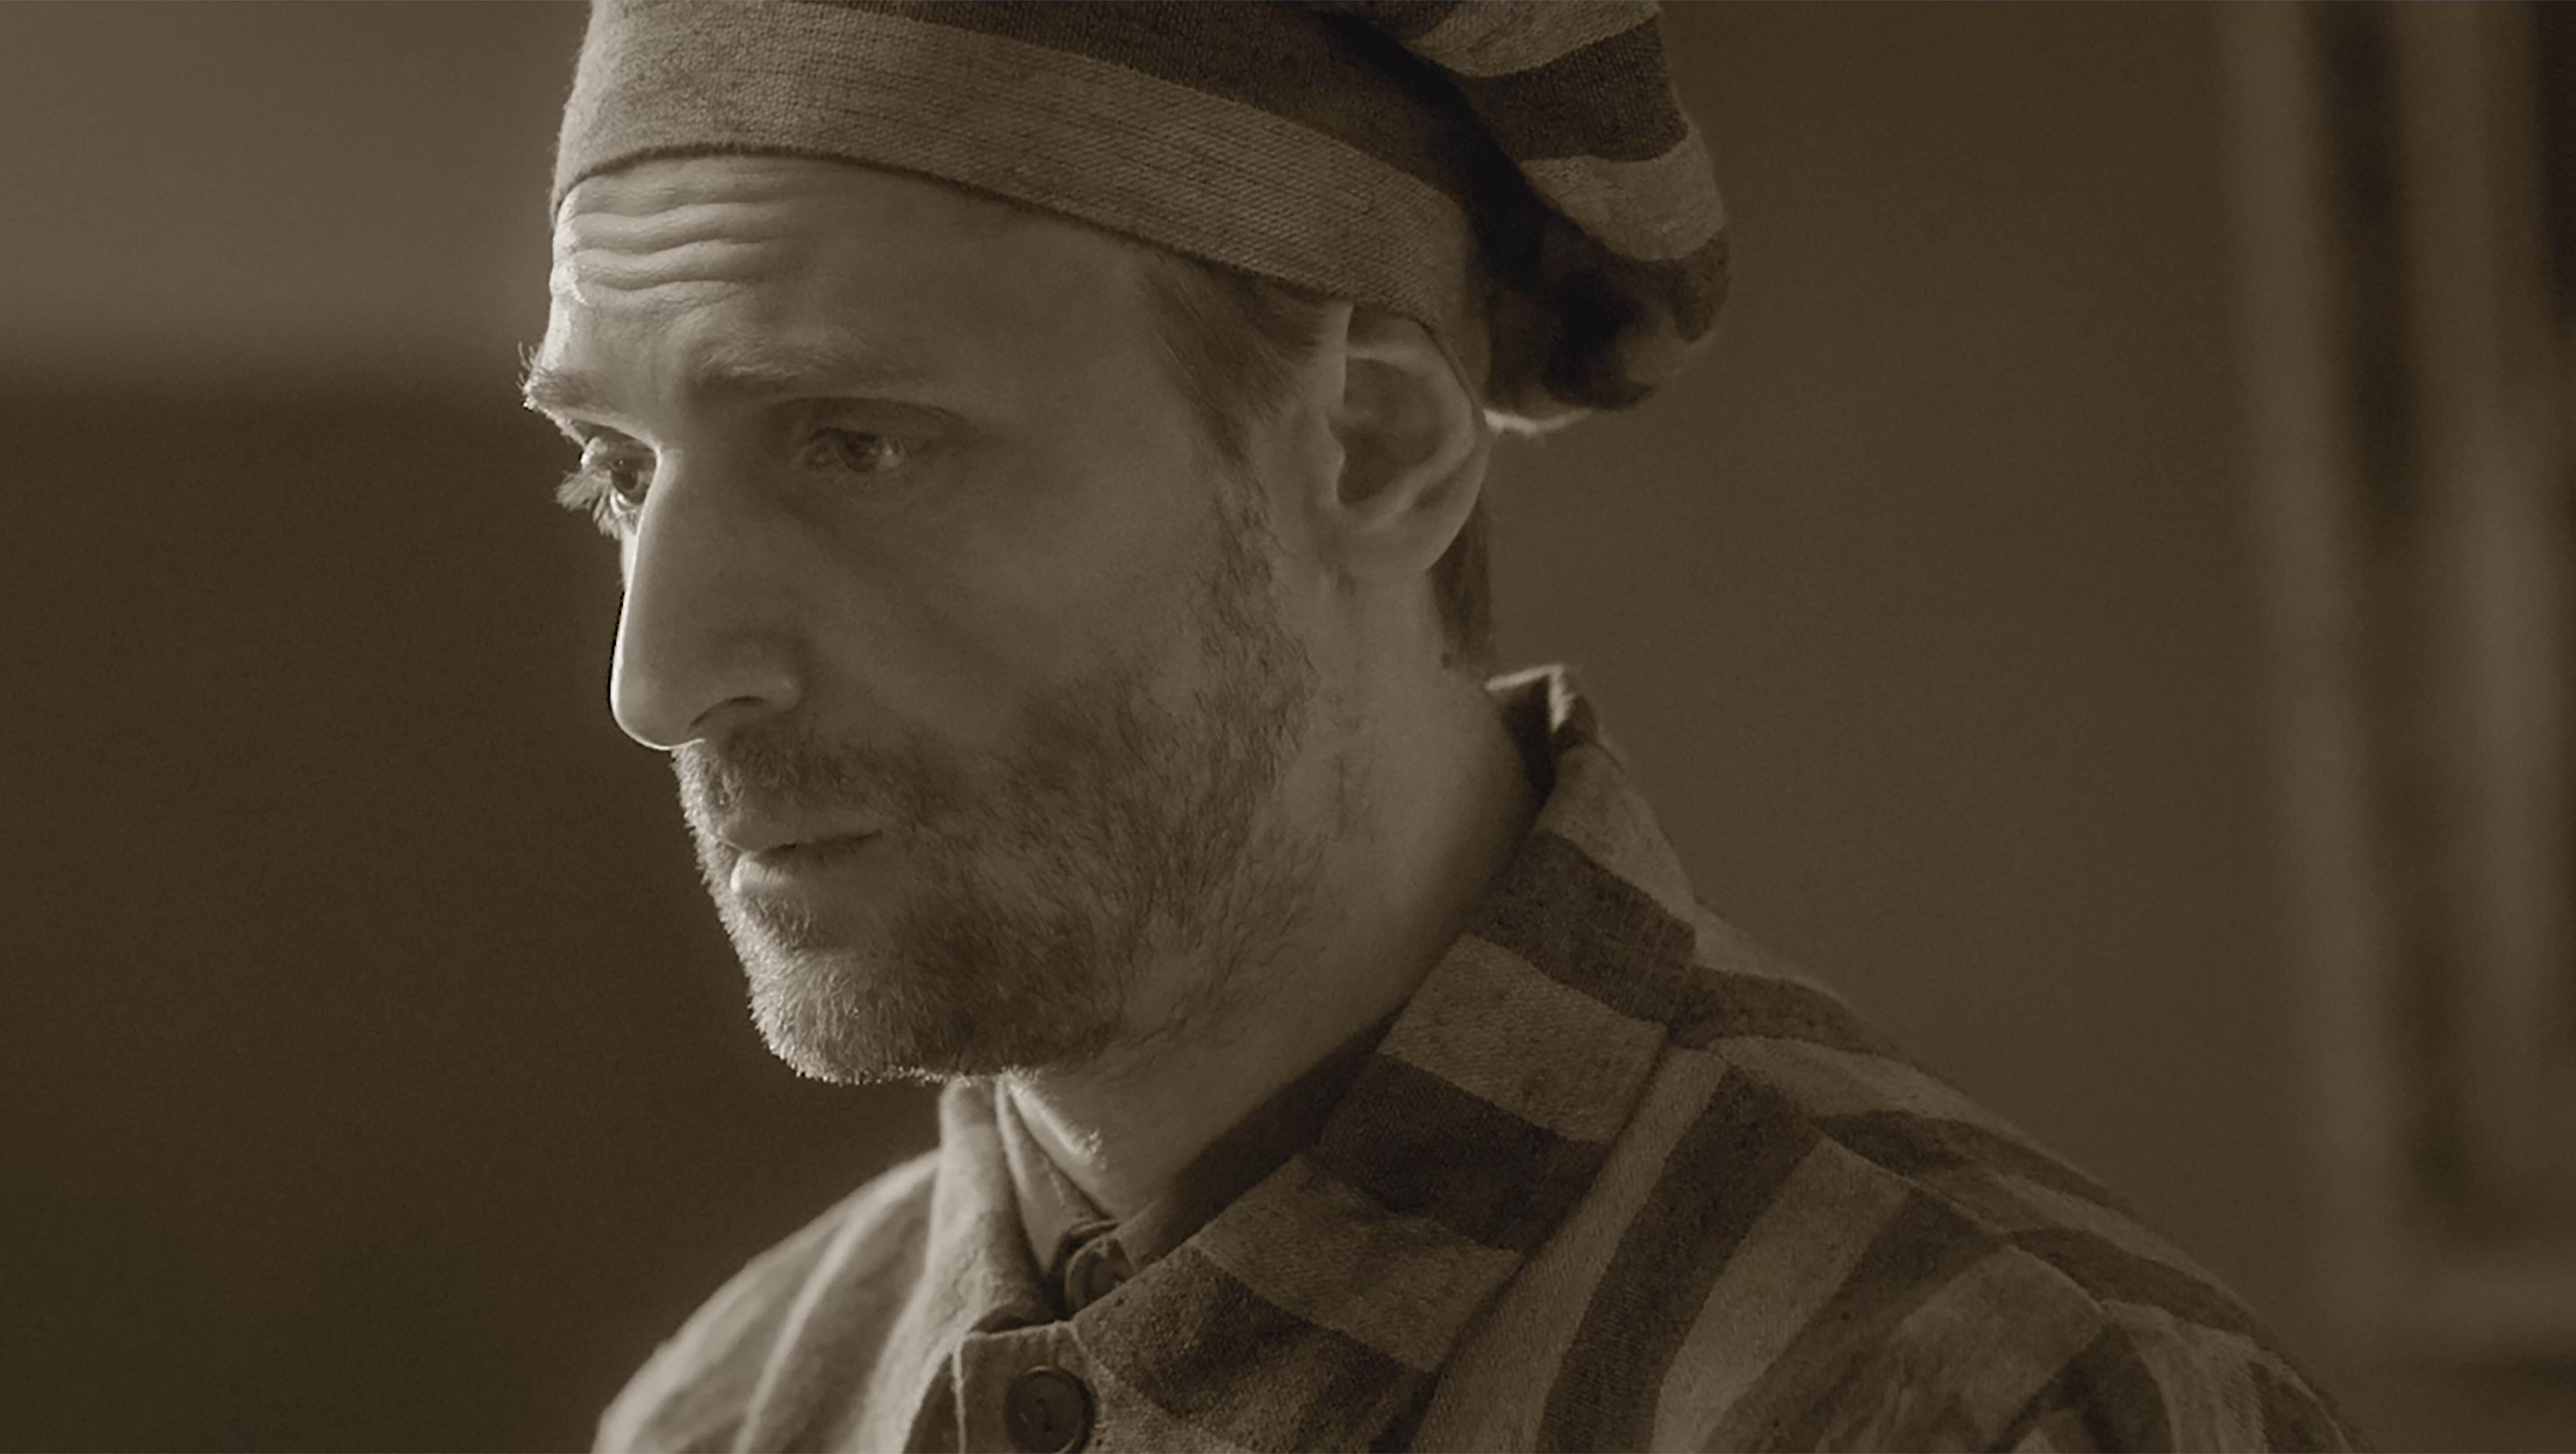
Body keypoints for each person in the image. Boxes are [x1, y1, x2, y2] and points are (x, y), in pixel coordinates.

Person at [525, 3, 2358, 1450]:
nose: (657, 681)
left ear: (1371, 447)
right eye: (614, 472)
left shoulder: (1980, 1403)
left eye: (856, 445)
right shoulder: (723, 1417)